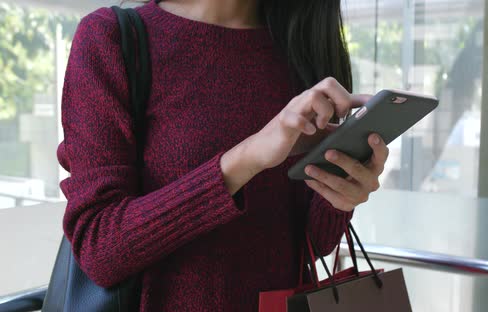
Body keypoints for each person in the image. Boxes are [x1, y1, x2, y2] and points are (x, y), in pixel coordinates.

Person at [56, 0, 389, 310]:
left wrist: (340, 197)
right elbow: (99, 248)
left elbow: (307, 244)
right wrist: (248, 156)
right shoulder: (112, 37)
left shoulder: (299, 47)